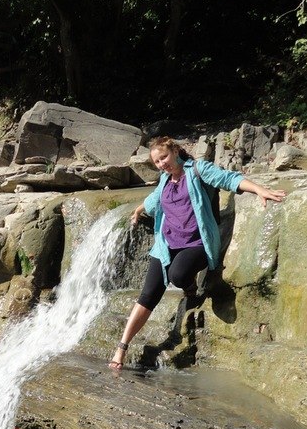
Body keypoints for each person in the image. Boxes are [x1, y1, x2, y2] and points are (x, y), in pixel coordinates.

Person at [109, 136, 287, 370]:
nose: (161, 164)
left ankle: (190, 287)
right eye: (157, 162)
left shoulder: (198, 170)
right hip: (166, 244)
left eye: (164, 157)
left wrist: (260, 190)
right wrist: (139, 209)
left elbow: (229, 179)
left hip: (197, 243)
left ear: (175, 152)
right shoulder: (164, 180)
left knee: (178, 275)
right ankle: (121, 348)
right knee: (148, 295)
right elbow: (153, 201)